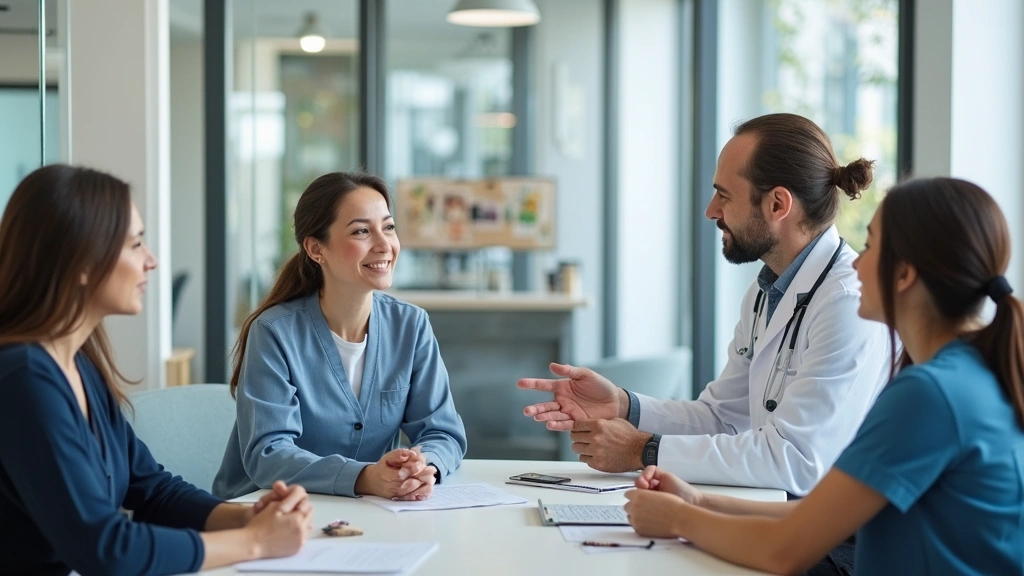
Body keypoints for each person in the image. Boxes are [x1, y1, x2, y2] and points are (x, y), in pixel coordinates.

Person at [624, 177, 1024, 575]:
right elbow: (822, 512)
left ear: (903, 275)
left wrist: (678, 520)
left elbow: (784, 552)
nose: (857, 263)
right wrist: (696, 502)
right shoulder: (970, 375)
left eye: (869, 246)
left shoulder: (929, 395)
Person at [519, 113, 890, 497]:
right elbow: (722, 418)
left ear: (778, 204)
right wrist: (622, 404)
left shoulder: (847, 303)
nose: (711, 210)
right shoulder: (766, 291)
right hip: (775, 510)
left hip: (827, 529)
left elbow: (796, 459)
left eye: (724, 195)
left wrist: (641, 450)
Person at [0, 165, 314, 575]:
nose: (151, 261)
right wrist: (254, 542)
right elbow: (105, 549)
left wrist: (249, 517)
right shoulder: (24, 380)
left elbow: (153, 491)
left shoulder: (79, 364)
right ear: (81, 261)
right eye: (135, 244)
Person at [213, 171, 468, 501]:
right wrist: (365, 477)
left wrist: (423, 467)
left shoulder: (411, 325)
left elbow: (442, 432)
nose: (384, 245)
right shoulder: (274, 332)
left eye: (388, 227)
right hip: (267, 510)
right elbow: (269, 453)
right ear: (316, 249)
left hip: (366, 512)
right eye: (362, 231)